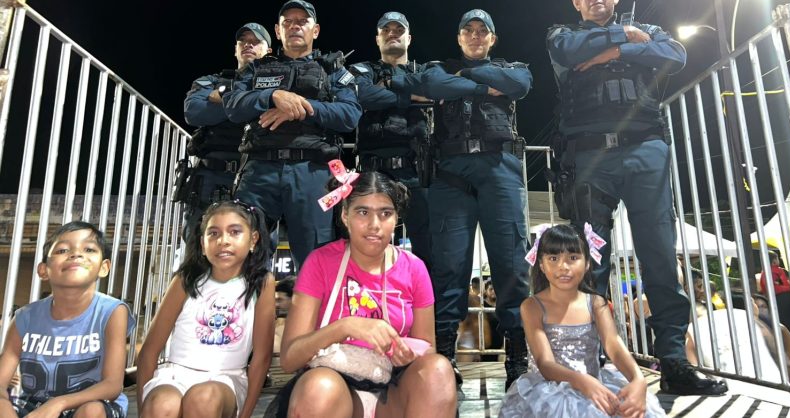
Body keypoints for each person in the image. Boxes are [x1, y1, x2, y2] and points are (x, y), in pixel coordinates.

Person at [546, 0, 726, 395]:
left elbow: (675, 55)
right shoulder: (563, 34)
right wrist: (626, 38)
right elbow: (568, 52)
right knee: (590, 263)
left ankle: (674, 363)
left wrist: (612, 51)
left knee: (660, 256)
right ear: (576, 1)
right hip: (589, 157)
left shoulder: (648, 30)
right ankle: (588, 360)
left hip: (645, 149)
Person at [388, 9, 532, 389]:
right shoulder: (438, 69)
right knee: (449, 268)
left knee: (511, 265)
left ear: (492, 39)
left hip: (499, 170)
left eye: (482, 31)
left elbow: (520, 83)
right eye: (468, 30)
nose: (475, 35)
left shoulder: (510, 68)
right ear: (459, 38)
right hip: (450, 175)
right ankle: (445, 357)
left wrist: (461, 79)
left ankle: (517, 360)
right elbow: (421, 83)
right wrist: (481, 86)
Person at [277, 170, 457, 418]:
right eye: (363, 212)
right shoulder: (320, 262)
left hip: (391, 393)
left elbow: (427, 351)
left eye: (385, 213)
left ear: (396, 218)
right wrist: (346, 327)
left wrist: (406, 355)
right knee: (320, 388)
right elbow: (289, 359)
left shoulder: (414, 268)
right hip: (333, 394)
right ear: (345, 215)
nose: (374, 225)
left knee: (438, 370)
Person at [223, 0, 362, 268]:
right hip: (259, 171)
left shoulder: (332, 69)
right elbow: (233, 106)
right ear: (278, 31)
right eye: (287, 22)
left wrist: (300, 107)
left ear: (315, 30)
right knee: (244, 256)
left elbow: (350, 114)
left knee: (316, 261)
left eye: (302, 21)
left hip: (313, 172)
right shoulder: (256, 68)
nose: (294, 26)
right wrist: (273, 95)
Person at [498, 224, 665, 418]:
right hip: (550, 390)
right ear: (541, 265)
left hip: (595, 383)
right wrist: (582, 381)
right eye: (553, 258)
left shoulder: (596, 303)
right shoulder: (531, 306)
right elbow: (545, 363)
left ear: (587, 263)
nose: (563, 266)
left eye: (573, 258)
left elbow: (613, 344)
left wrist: (638, 379)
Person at [136, 200, 275, 418]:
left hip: (226, 378)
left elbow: (262, 357)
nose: (223, 241)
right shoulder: (186, 280)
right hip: (174, 374)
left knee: (203, 398)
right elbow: (149, 350)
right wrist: (145, 404)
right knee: (162, 404)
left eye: (235, 232)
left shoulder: (261, 284)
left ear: (253, 239)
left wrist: (245, 414)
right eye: (213, 233)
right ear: (202, 244)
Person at [0, 221, 136, 418]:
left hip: (90, 403)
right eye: (63, 250)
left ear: (104, 268)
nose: (76, 254)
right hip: (33, 405)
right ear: (43, 270)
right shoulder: (24, 317)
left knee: (92, 411)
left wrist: (58, 403)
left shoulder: (112, 311)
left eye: (89, 249)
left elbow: (112, 385)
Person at [349, 11, 432, 266]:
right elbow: (362, 95)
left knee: (429, 253)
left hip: (418, 172)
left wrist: (386, 87)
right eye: (386, 30)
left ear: (409, 38)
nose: (392, 34)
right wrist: (410, 95)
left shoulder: (425, 71)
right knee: (368, 249)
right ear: (377, 39)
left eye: (398, 30)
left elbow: (437, 92)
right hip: (373, 173)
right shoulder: (362, 70)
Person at [179, 23, 272, 244]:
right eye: (243, 41)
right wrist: (254, 102)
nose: (248, 45)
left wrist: (224, 98)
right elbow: (194, 112)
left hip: (257, 176)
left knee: (257, 248)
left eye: (255, 42)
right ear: (235, 49)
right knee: (198, 246)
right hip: (211, 177)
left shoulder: (276, 85)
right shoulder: (212, 81)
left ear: (268, 51)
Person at [758, 252, 790, 358]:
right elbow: (778, 286)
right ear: (774, 261)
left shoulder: (763, 274)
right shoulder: (778, 270)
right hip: (785, 300)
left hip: (773, 302)